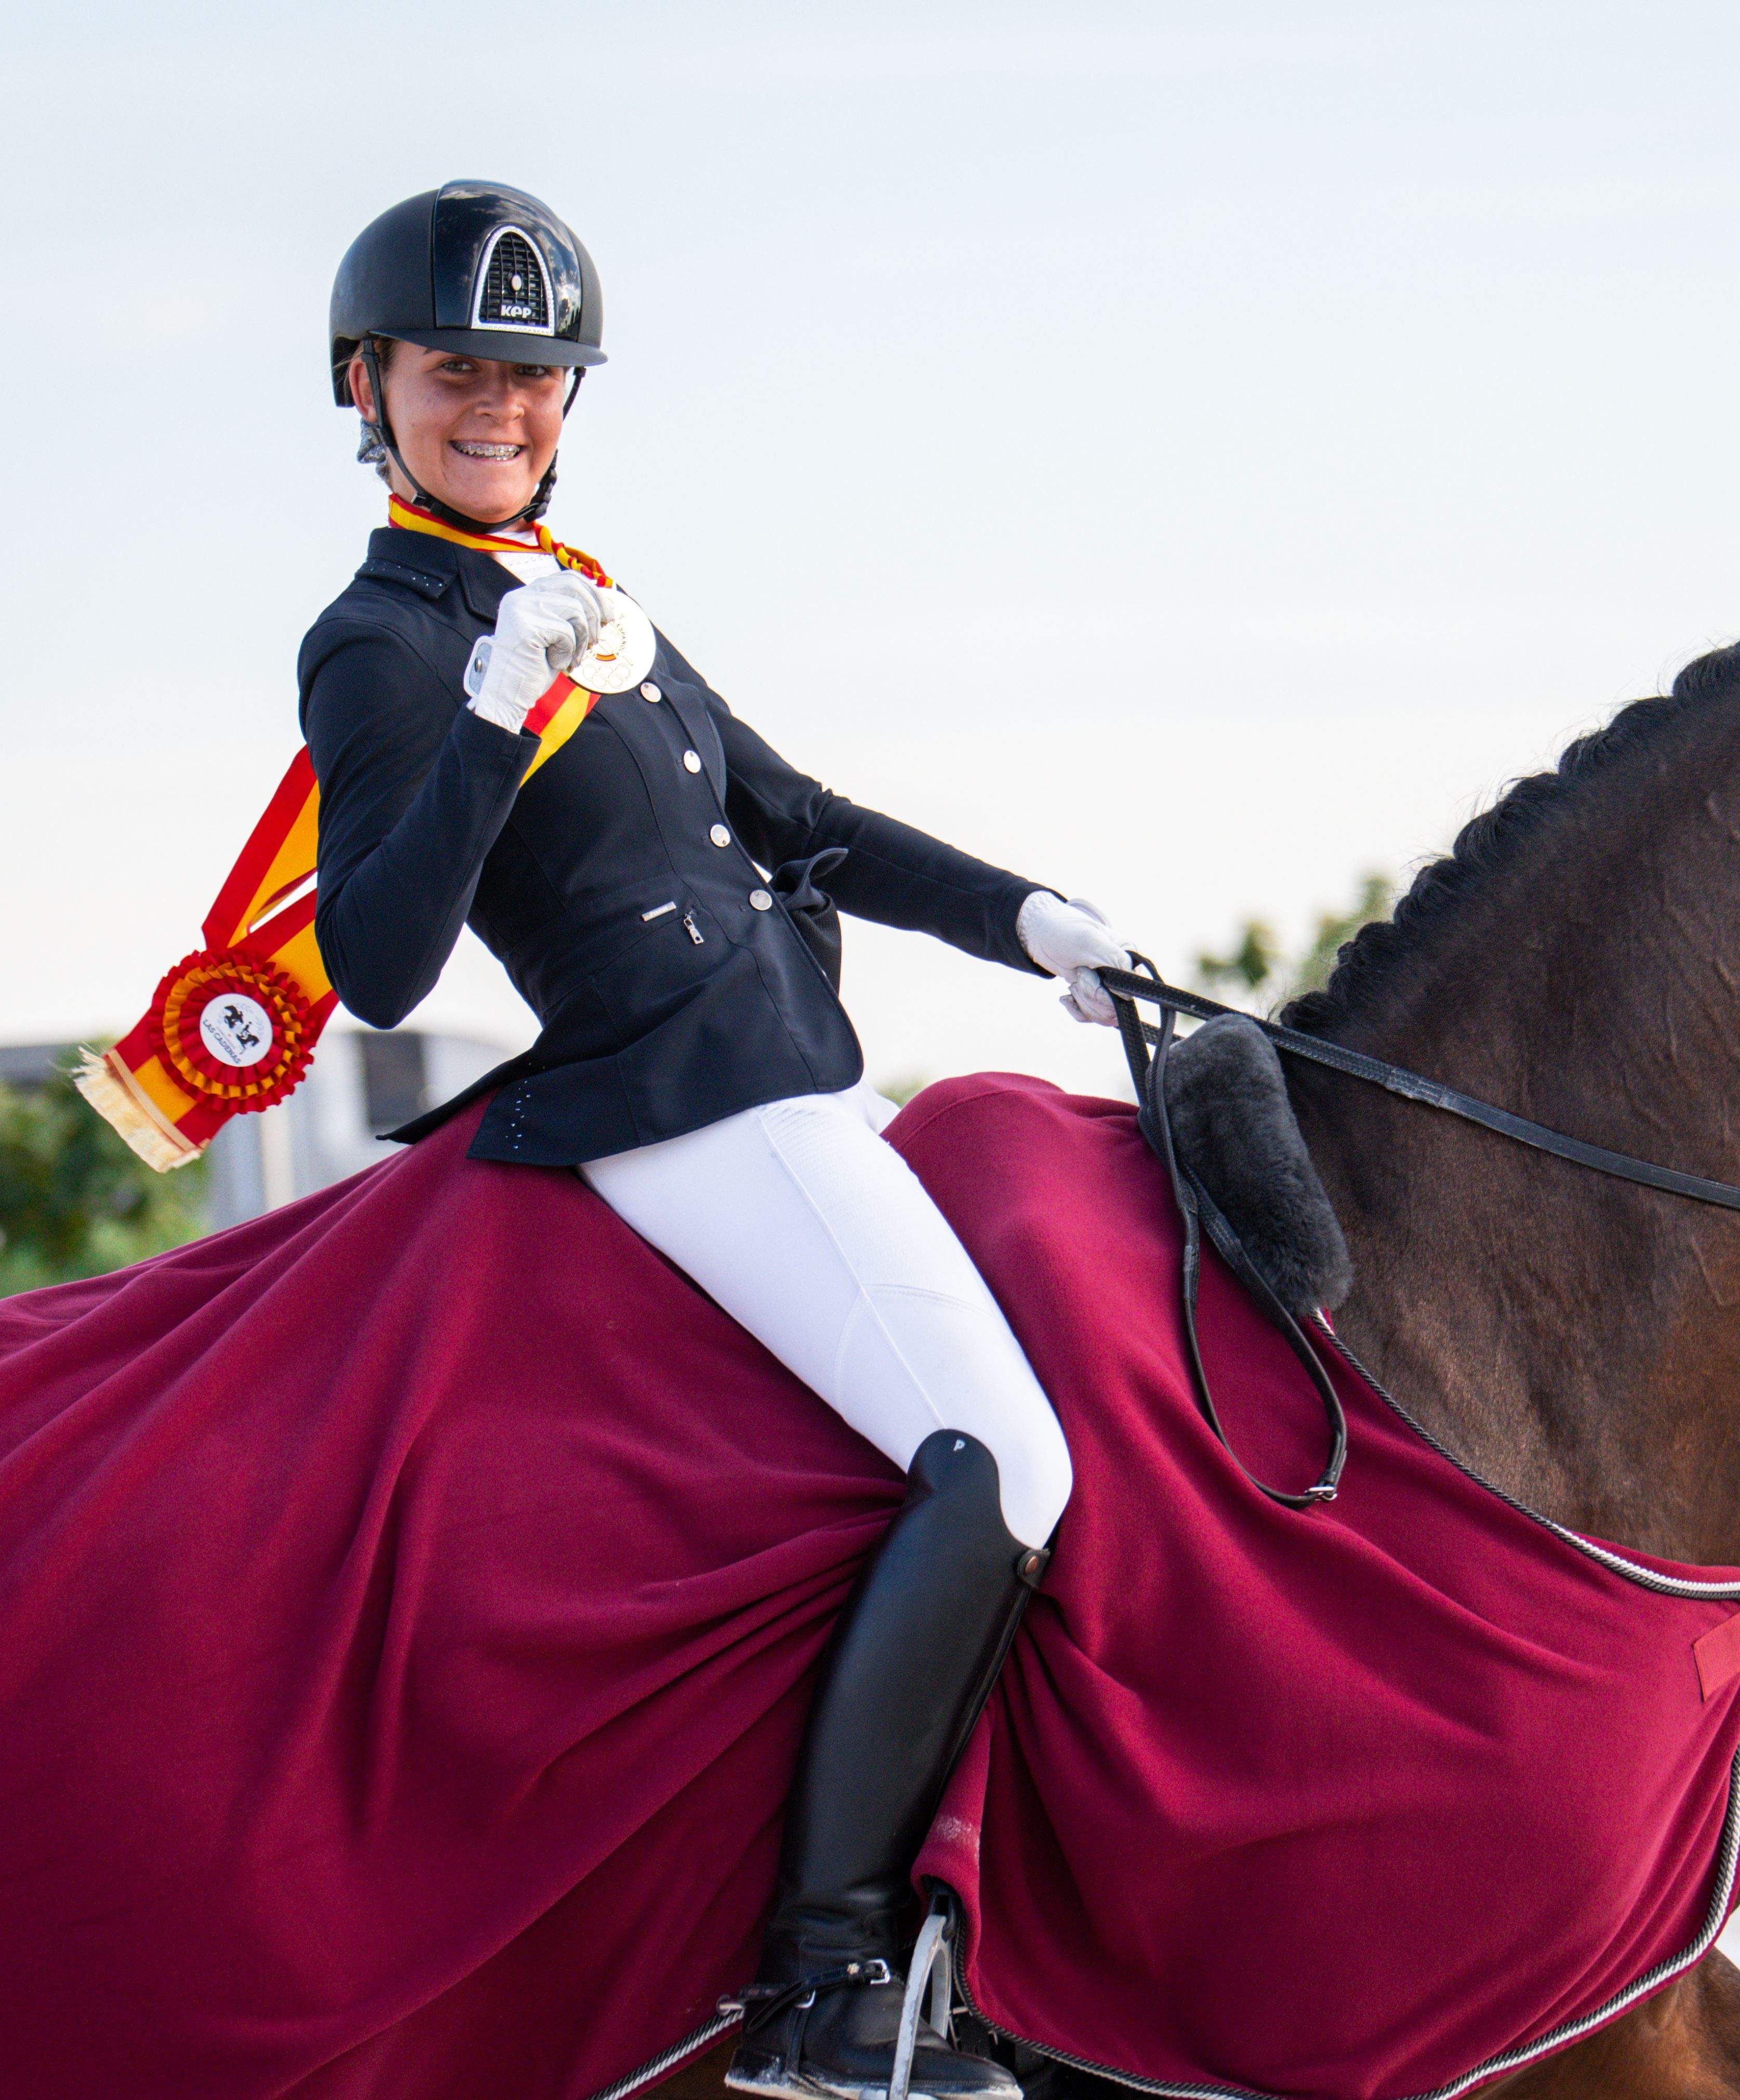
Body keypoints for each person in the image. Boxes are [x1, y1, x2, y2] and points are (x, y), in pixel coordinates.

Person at [307, 180, 1126, 2100]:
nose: (495, 405)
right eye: (452, 371)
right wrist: (492, 724)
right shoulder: (387, 640)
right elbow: (373, 960)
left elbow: (803, 819)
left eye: (530, 373)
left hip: (796, 1076)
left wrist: (1030, 925)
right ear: (369, 385)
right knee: (1003, 1453)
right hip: (686, 1104)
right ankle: (829, 1980)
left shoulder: (591, 597)